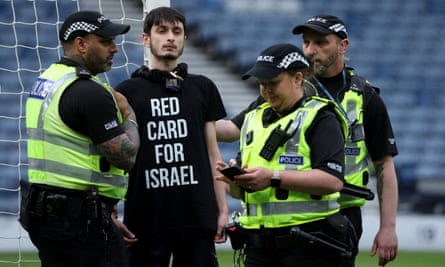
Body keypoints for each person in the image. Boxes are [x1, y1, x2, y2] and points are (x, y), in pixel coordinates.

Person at [216, 14, 399, 267]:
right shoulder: (283, 89)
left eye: (320, 42)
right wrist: (194, 121)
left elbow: (384, 164)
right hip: (291, 211)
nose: (311, 50)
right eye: (306, 43)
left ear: (343, 46)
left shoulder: (365, 96)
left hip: (342, 210)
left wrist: (387, 226)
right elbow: (231, 129)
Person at [216, 43, 355, 267]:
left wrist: (272, 177)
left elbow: (332, 180)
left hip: (310, 244)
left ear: (298, 78)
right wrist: (234, 183)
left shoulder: (321, 118)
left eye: (273, 83)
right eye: (262, 84)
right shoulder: (252, 119)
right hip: (258, 247)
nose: (266, 90)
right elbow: (243, 194)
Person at [21, 10, 140, 267]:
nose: (115, 49)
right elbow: (127, 156)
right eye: (106, 41)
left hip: (49, 216)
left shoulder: (47, 81)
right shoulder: (89, 92)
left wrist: (103, 215)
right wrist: (128, 114)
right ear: (81, 44)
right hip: (78, 222)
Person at [114, 7, 229, 267]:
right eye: (162, 31)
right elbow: (117, 156)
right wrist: (112, 209)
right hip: (145, 220)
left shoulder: (203, 87)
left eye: (177, 32)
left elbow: (214, 154)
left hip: (197, 219)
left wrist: (222, 210)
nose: (170, 37)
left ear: (185, 39)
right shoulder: (126, 92)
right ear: (146, 39)